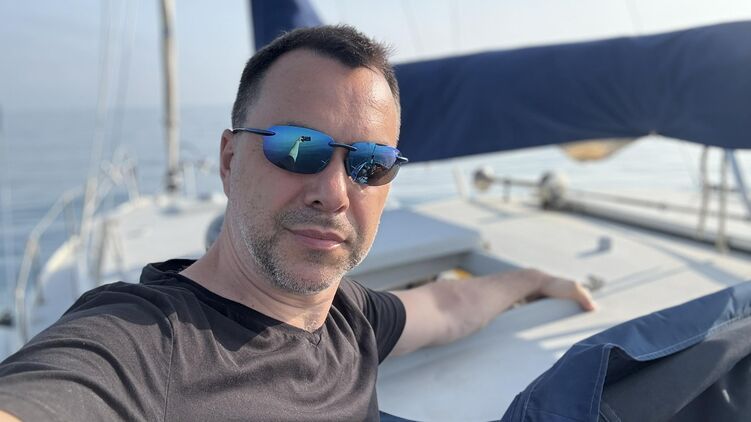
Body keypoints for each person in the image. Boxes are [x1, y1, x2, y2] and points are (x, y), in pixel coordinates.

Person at [0, 25, 595, 422]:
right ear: (229, 160)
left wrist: (531, 281)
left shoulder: (349, 317)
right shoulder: (144, 342)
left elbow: (446, 306)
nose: (333, 193)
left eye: (369, 164)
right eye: (297, 147)